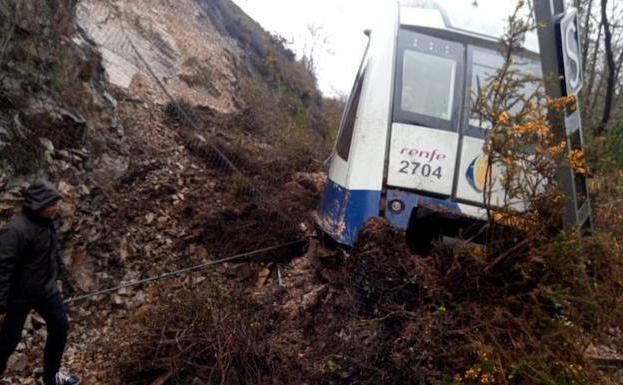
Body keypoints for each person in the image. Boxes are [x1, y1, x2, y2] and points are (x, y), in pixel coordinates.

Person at [0, 180, 80, 385]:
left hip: (46, 291)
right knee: (8, 342)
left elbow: (53, 253)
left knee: (60, 326)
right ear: (38, 204)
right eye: (51, 204)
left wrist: (58, 277)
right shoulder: (15, 230)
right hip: (18, 296)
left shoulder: (47, 223)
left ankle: (50, 377)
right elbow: (3, 269)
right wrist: (1, 306)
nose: (55, 208)